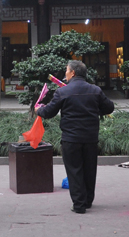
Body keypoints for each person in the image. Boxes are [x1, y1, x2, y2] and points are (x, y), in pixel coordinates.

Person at [36, 60, 114, 214]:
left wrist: (39, 109)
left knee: (74, 170)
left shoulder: (63, 92)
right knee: (89, 169)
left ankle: (79, 204)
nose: (65, 73)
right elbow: (109, 107)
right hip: (90, 138)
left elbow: (48, 112)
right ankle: (88, 201)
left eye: (66, 70)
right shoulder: (95, 90)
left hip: (71, 138)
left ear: (73, 73)